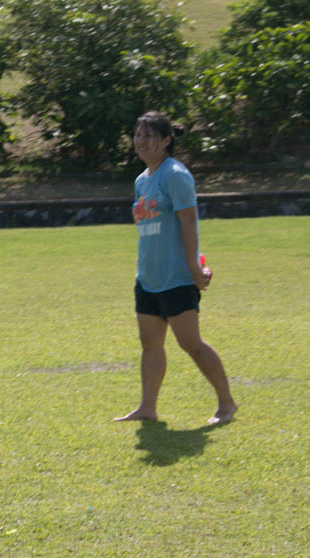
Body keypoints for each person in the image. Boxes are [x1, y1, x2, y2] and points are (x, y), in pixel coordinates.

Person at [115, 111, 237, 425]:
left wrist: (195, 269)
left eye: (148, 136)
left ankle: (226, 404)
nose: (140, 141)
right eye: (137, 135)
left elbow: (189, 222)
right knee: (150, 344)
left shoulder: (175, 175)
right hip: (149, 278)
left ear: (167, 140)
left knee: (191, 344)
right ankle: (147, 407)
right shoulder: (142, 179)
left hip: (177, 278)